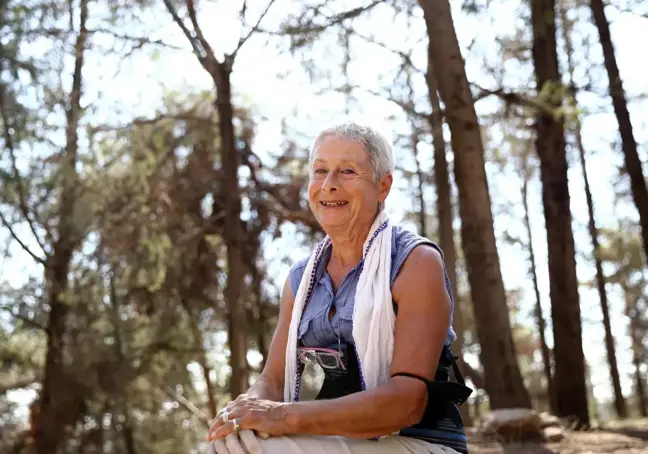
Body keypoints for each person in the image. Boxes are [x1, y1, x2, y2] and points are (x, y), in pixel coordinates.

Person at [204, 121, 472, 454]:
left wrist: (281, 417)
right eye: (320, 171)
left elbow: (406, 403)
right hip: (341, 442)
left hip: (423, 443)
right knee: (226, 447)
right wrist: (245, 410)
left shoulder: (415, 262)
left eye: (347, 172)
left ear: (383, 186)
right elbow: (273, 381)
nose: (328, 185)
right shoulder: (301, 280)